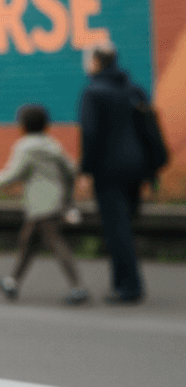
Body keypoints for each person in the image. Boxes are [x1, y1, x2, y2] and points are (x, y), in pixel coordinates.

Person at [0, 104, 89, 305]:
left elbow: (14, 173)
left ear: (22, 126)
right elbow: (70, 170)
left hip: (41, 203)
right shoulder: (52, 144)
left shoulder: (24, 146)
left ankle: (78, 287)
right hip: (55, 200)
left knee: (54, 242)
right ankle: (12, 282)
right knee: (28, 241)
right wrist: (68, 198)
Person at [79, 41, 153, 304]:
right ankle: (125, 282)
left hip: (108, 169)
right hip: (138, 166)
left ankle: (128, 286)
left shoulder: (94, 93)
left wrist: (86, 170)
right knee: (127, 226)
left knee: (116, 229)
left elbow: (91, 134)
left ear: (97, 62)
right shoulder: (134, 90)